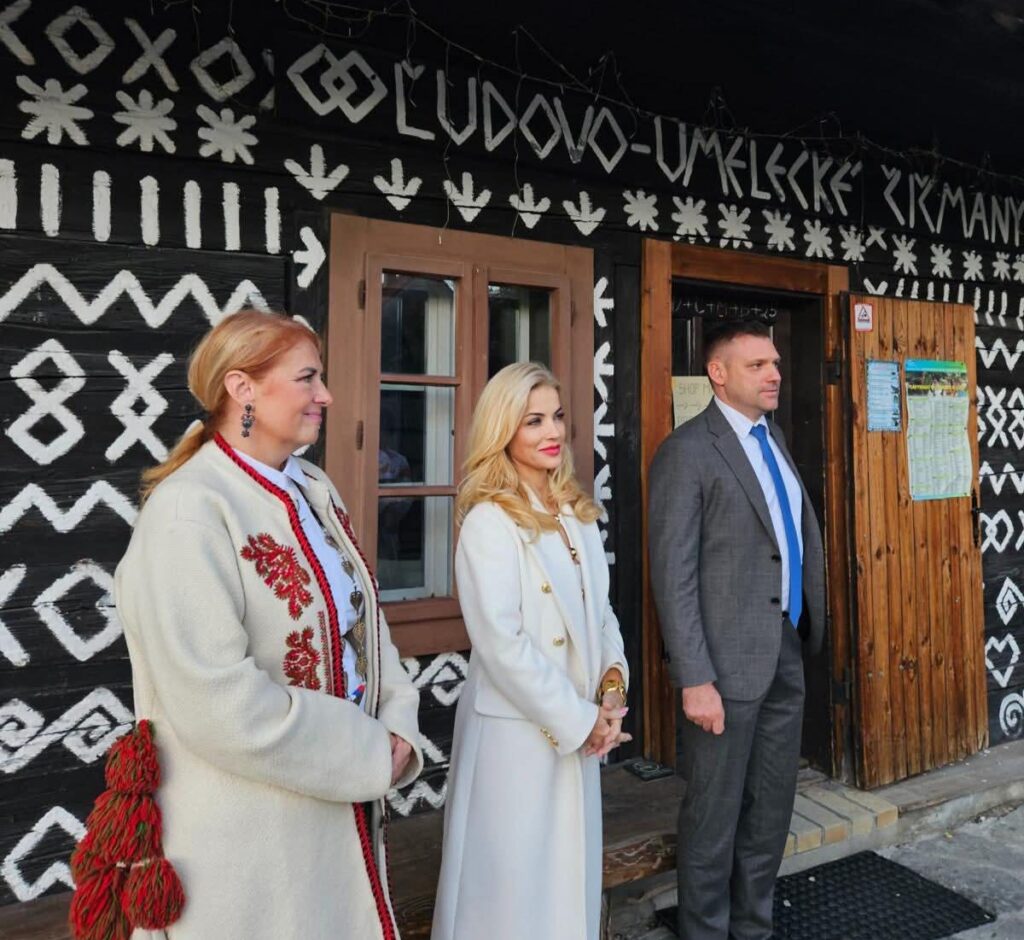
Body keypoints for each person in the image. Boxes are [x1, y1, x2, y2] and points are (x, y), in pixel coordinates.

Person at [110, 309, 422, 939]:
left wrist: (400, 727)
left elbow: (366, 625)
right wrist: (367, 752)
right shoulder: (188, 512)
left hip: (337, 814)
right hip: (251, 842)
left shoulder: (313, 488)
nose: (325, 396)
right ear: (241, 388)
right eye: (307, 378)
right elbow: (217, 702)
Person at [431, 362, 630, 940]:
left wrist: (611, 687)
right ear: (502, 430)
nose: (553, 431)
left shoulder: (576, 512)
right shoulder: (489, 521)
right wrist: (580, 720)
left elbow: (601, 612)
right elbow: (501, 645)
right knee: (512, 899)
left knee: (566, 891)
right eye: (533, 420)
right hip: (518, 739)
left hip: (579, 725)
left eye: (557, 416)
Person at [648, 320, 825, 940]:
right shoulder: (687, 451)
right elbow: (673, 574)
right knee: (713, 816)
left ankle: (753, 928)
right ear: (718, 373)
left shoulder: (774, 438)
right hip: (721, 669)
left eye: (774, 363)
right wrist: (694, 678)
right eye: (757, 365)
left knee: (771, 809)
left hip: (785, 649)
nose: (774, 374)